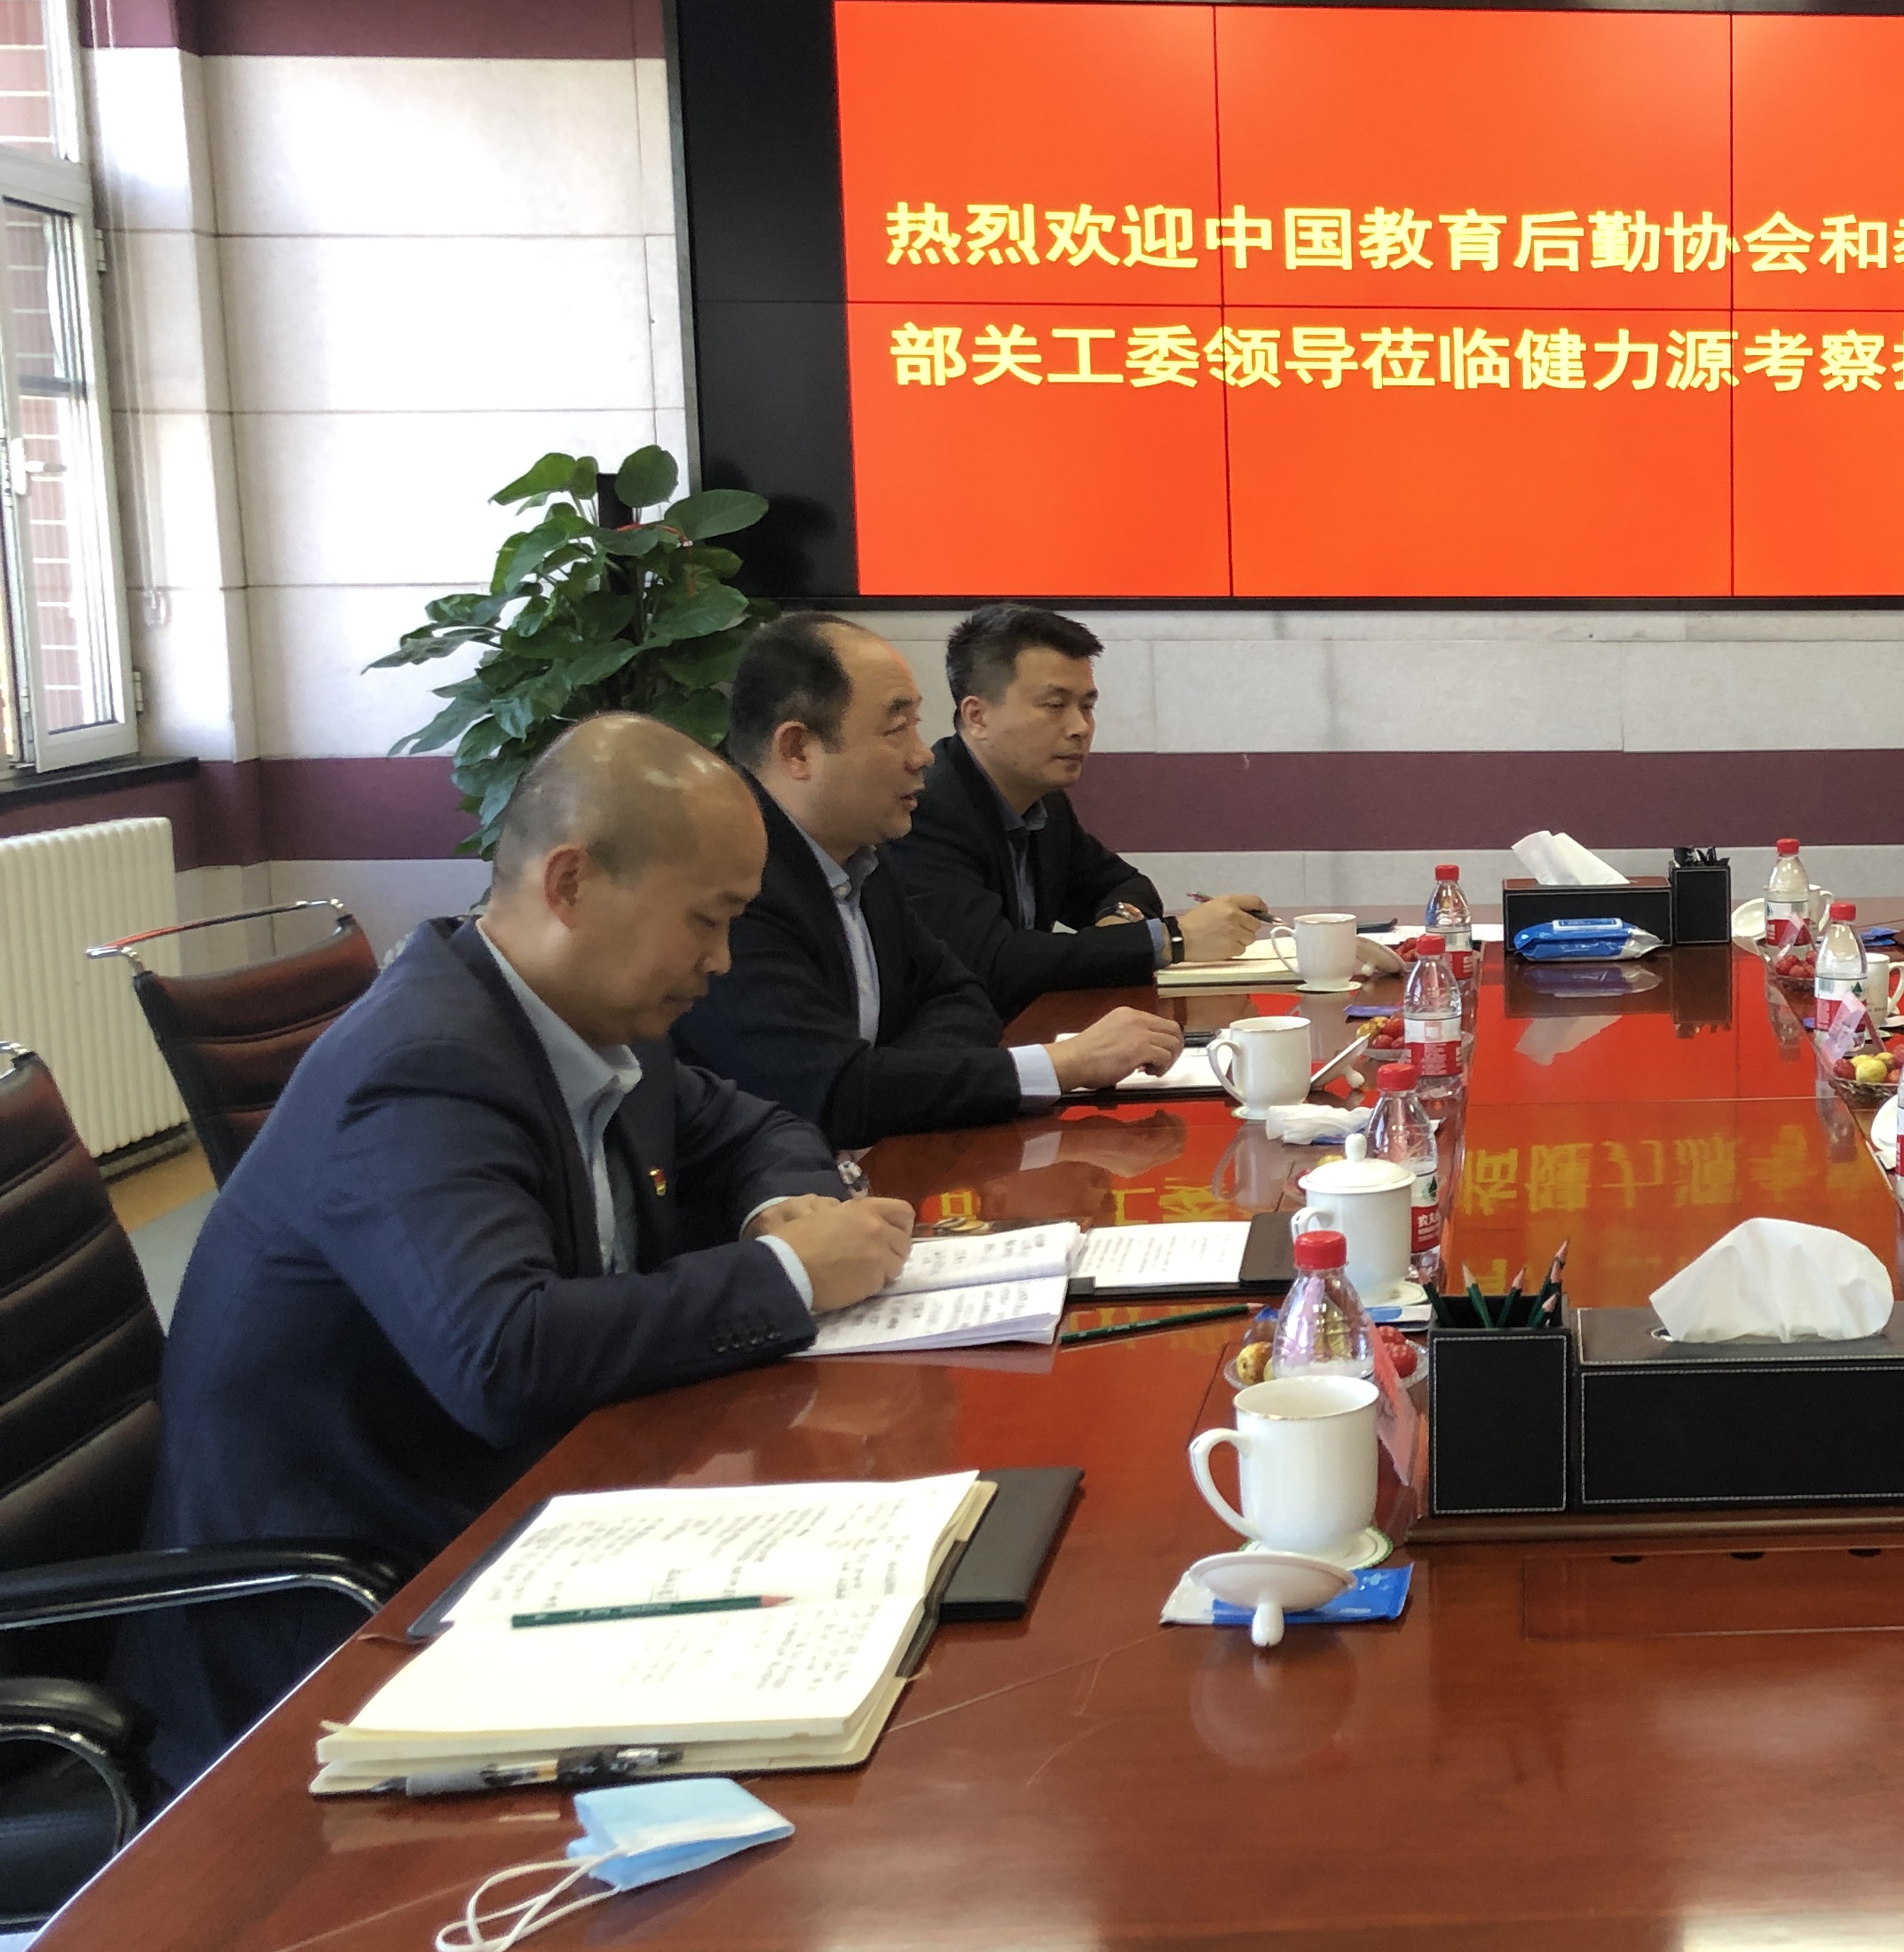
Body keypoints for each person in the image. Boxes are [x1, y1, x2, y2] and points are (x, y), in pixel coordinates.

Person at [121, 715, 920, 1784]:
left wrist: (781, 1213)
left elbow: (758, 1128)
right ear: (571, 883)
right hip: (335, 1624)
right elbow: (504, 1355)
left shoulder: (593, 1017)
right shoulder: (423, 1066)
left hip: (510, 1525)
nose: (722, 961)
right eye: (707, 919)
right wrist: (788, 1276)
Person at [672, 612, 1184, 1145]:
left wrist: (890, 1077)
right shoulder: (733, 887)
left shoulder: (861, 859)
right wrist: (1061, 1066)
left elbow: (963, 995)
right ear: (798, 750)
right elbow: (831, 1093)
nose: (921, 755)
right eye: (897, 729)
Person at [887, 601, 1268, 1012]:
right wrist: (1172, 940)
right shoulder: (926, 809)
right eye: (1055, 705)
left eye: (1087, 705)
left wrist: (1122, 923)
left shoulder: (1042, 801)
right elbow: (991, 963)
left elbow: (1125, 885)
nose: (1080, 727)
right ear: (977, 716)